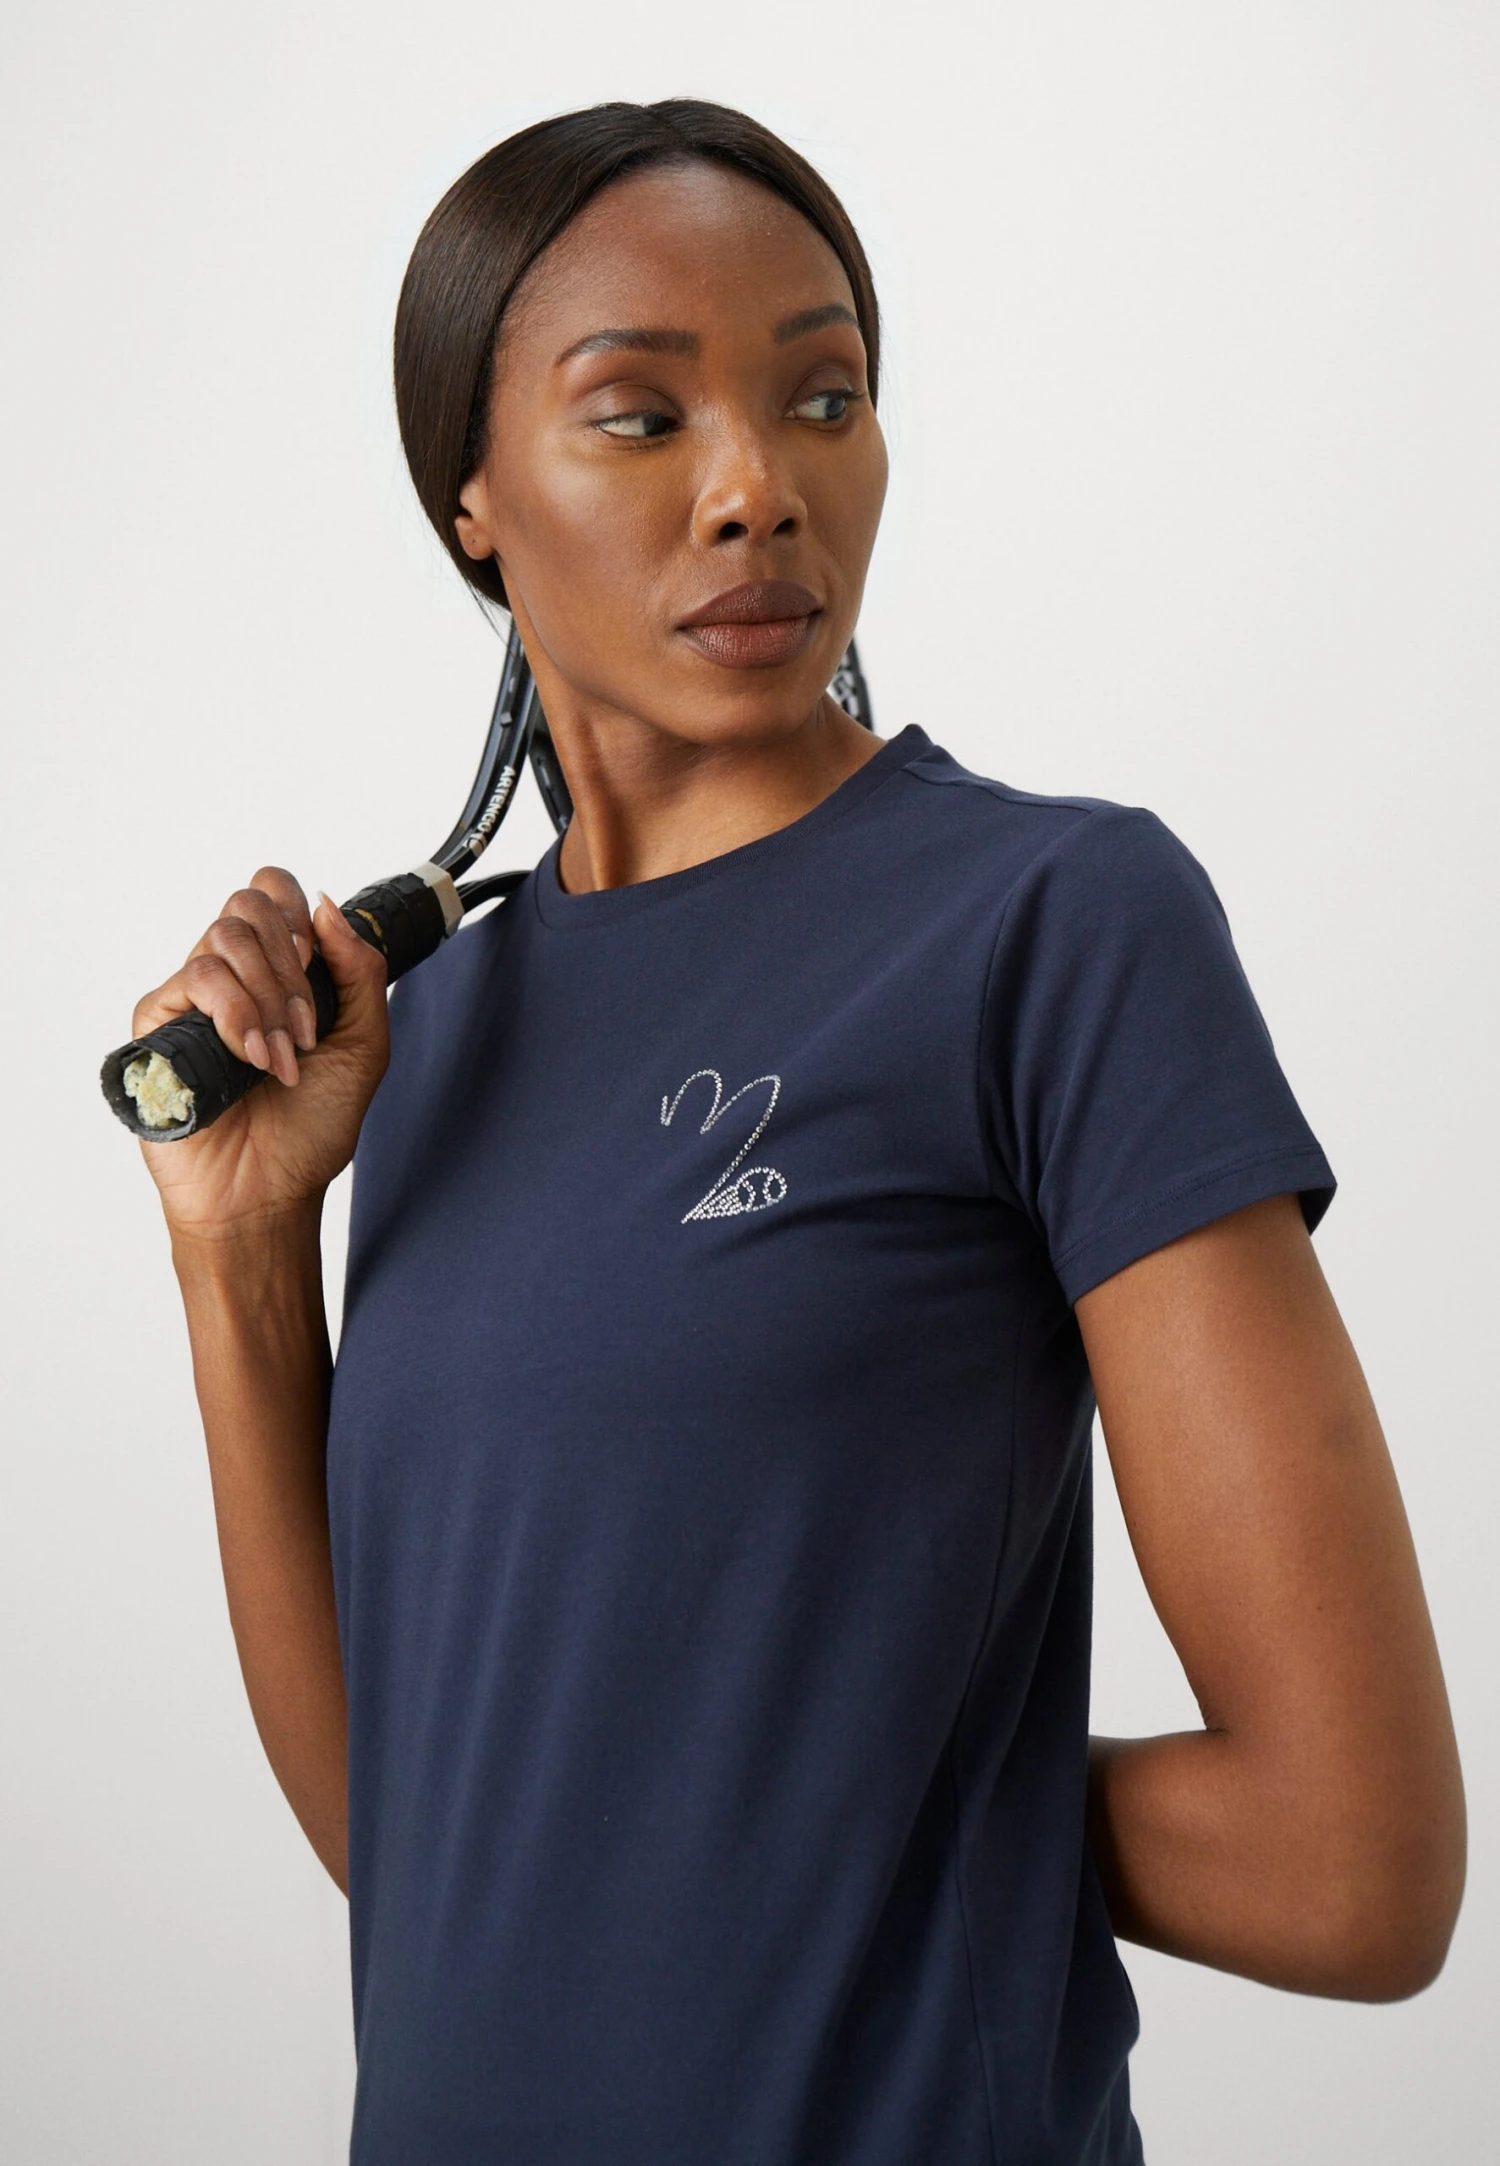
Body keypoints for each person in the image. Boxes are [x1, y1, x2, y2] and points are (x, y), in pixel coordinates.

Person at [129, 100, 1465, 2165]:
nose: (761, 486)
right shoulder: (422, 1037)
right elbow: (413, 1838)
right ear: (472, 498)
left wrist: (839, 1800)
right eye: (641, 416)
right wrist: (236, 1253)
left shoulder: (1051, 925)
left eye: (824, 397)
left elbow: (1351, 1864)